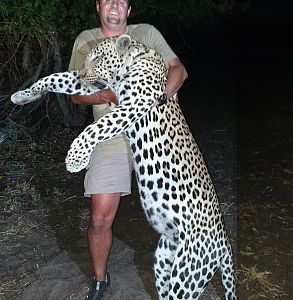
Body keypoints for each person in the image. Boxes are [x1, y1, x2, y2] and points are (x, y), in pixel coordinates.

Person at [68, 0, 188, 299]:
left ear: (129, 10)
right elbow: (76, 94)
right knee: (99, 218)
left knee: (180, 215)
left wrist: (157, 99)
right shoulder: (86, 40)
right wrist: (108, 95)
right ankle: (99, 279)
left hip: (157, 135)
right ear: (98, 6)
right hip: (110, 136)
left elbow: (179, 71)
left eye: (121, 1)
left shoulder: (146, 33)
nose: (114, 6)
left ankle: (180, 276)